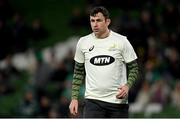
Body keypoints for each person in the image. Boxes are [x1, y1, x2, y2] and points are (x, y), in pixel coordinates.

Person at [69, 6, 139, 118]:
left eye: (99, 20)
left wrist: (127, 86)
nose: (95, 24)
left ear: (107, 22)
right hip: (93, 102)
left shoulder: (122, 41)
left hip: (117, 103)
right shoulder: (83, 42)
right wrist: (74, 98)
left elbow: (134, 68)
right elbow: (78, 72)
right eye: (92, 21)